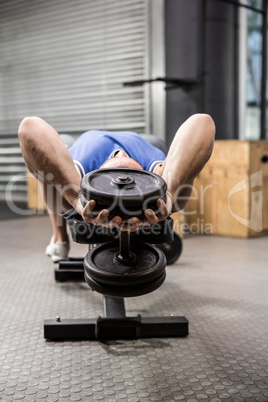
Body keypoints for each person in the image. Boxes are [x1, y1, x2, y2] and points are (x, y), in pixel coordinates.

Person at [18, 114, 215, 262]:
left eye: (118, 178)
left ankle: (60, 239)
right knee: (159, 145)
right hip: (142, 140)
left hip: (84, 150)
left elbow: (29, 127)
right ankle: (60, 238)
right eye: (130, 179)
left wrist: (76, 199)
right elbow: (202, 122)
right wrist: (170, 193)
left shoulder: (80, 178)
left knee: (58, 163)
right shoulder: (159, 182)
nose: (123, 176)